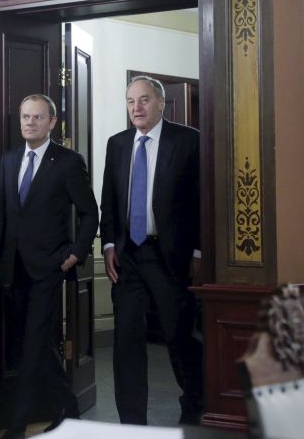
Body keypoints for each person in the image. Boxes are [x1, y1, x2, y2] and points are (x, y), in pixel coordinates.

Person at [0, 94, 99, 439]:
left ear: (51, 122)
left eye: (37, 117)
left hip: (49, 268)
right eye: (25, 117)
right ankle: (69, 409)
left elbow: (90, 213)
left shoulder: (68, 162)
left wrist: (76, 254)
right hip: (13, 270)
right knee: (36, 344)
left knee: (33, 346)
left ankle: (16, 428)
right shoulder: (9, 160)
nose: (30, 123)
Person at [100, 75, 203, 425]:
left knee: (179, 334)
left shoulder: (188, 141)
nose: (137, 107)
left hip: (170, 256)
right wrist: (109, 243)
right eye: (131, 101)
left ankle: (195, 405)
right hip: (127, 256)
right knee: (126, 340)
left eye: (144, 100)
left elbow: (202, 200)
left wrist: (198, 251)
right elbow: (109, 200)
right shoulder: (117, 144)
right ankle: (132, 422)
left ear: (161, 103)